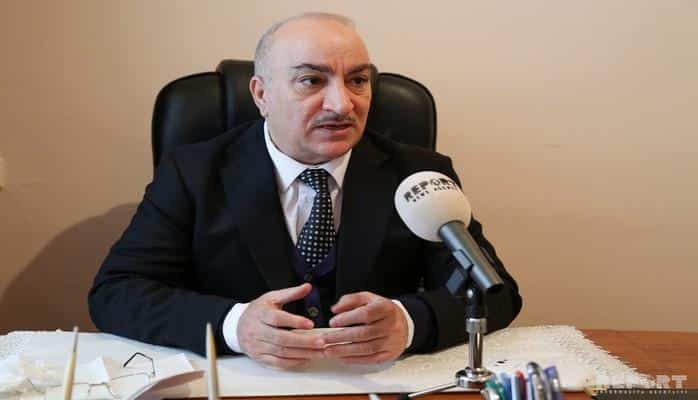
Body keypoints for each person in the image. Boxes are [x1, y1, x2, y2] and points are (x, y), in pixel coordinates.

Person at [88, 13, 522, 369]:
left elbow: (495, 292)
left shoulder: (418, 173)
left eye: (358, 80)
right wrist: (235, 325)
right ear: (261, 94)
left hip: (372, 383)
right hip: (244, 382)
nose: (343, 104)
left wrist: (408, 322)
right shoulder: (192, 172)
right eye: (312, 81)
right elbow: (117, 291)